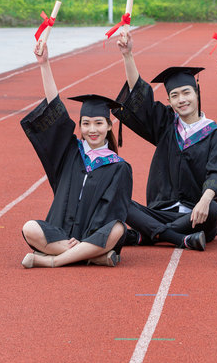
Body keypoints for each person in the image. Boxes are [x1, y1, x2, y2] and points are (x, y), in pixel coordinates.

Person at [113, 31, 217, 251]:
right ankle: (176, 237)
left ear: (197, 93)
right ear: (168, 100)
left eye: (186, 93)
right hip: (162, 209)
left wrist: (205, 200)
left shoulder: (216, 135)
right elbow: (141, 100)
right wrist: (127, 55)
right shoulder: (167, 125)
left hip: (197, 214)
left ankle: (149, 234)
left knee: (214, 210)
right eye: (175, 95)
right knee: (117, 198)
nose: (182, 100)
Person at [20, 42, 133, 268]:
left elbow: (112, 210)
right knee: (29, 228)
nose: (93, 129)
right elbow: (56, 110)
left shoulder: (119, 167)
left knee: (118, 229)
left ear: (110, 126)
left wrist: (89, 236)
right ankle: (91, 256)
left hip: (93, 235)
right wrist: (44, 65)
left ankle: (52, 261)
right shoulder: (71, 152)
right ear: (80, 126)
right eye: (86, 123)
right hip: (62, 232)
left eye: (99, 123)